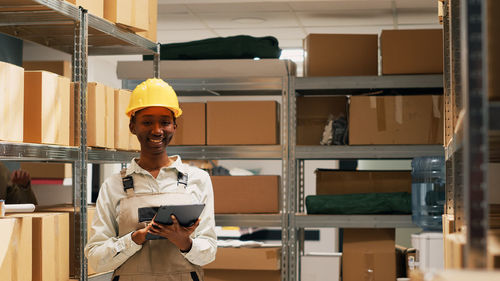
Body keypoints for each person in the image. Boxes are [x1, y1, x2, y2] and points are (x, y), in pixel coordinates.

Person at [85, 78, 217, 281]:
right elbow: (95, 258)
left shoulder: (198, 180)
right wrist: (134, 239)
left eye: (164, 122)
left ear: (174, 126)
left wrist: (184, 242)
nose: (157, 130)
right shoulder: (113, 185)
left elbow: (209, 253)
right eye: (147, 122)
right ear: (132, 126)